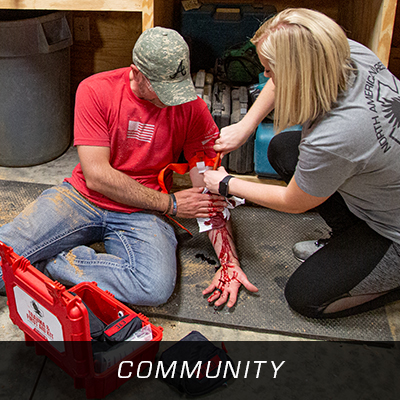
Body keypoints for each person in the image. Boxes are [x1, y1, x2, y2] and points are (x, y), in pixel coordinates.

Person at [0, 27, 257, 307]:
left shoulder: (191, 108)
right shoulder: (96, 90)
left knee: (153, 287)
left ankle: (51, 264)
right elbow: (97, 176)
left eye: (177, 87)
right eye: (162, 89)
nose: (172, 99)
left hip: (143, 212)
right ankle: (30, 258)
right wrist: (169, 203)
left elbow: (207, 188)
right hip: (83, 198)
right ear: (136, 72)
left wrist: (229, 263)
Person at [204, 8, 400, 318]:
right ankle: (350, 238)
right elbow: (284, 74)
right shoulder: (346, 52)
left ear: (297, 73)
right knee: (284, 148)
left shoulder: (336, 135)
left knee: (305, 298)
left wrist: (226, 183)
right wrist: (246, 125)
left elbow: (294, 202)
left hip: (394, 233)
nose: (266, 76)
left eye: (270, 70)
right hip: (385, 191)